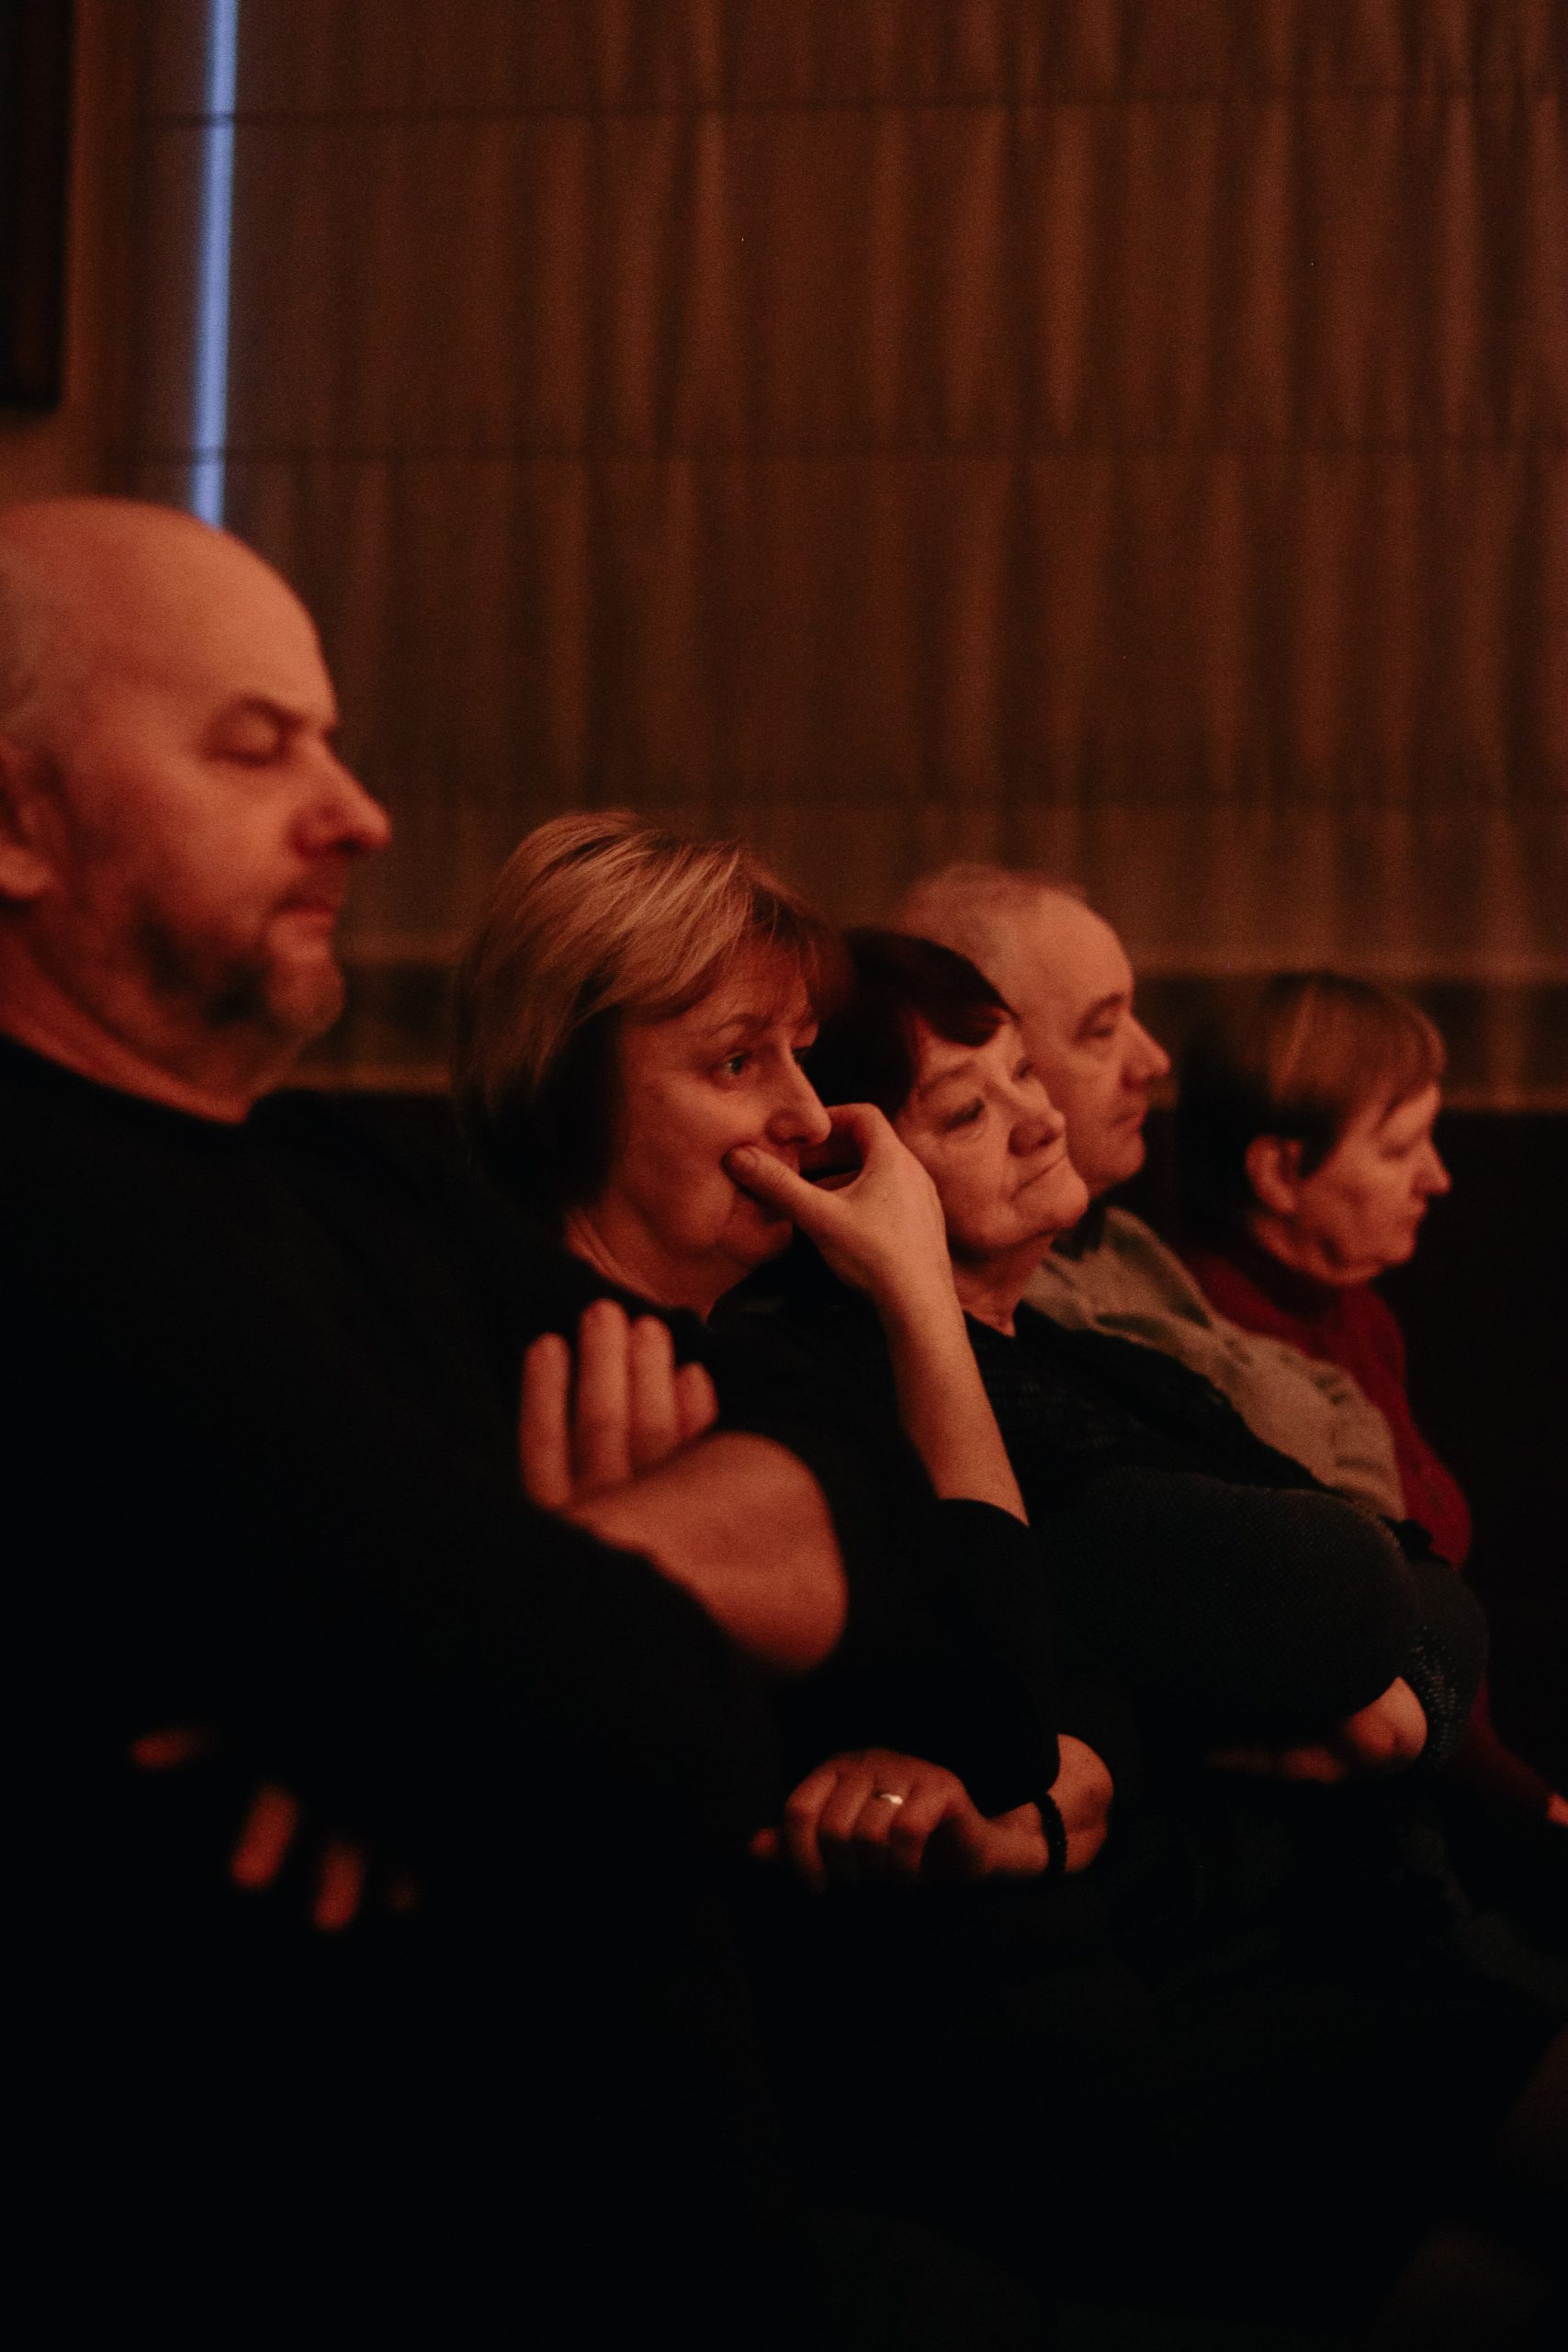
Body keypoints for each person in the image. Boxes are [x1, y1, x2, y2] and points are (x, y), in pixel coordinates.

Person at [0, 498, 1038, 2346]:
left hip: (703, 2233)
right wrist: (554, 1657)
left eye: (332, 742)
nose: (358, 812)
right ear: (18, 821)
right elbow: (654, 1744)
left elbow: (881, 1535)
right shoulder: (62, 1233)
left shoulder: (329, 1178)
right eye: (255, 748)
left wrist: (522, 1591)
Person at [731, 924, 1566, 2327]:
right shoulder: (868, 1391)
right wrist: (1381, 1659)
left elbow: (1426, 1588)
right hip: (1207, 2003)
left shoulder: (1093, 1363)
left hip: (1345, 1946)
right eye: (964, 1110)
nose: (1036, 1116)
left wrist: (1401, 1707)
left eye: (1021, 1074)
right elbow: (1333, 1595)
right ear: (845, 1177)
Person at [451, 808, 1122, 1876]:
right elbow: (1003, 1721)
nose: (809, 1117)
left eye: (801, 1055)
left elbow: (1055, 1692)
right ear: (567, 1089)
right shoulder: (495, 1358)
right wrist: (918, 1291)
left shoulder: (768, 1363)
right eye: (736, 1062)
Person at [1176, 970, 1566, 1835]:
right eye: (1398, 1149)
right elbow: (1369, 1654)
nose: (1437, 1178)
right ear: (1278, 1171)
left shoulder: (1354, 1313)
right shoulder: (1218, 1356)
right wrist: (1533, 1809)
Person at [896, 862, 1409, 1515]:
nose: (1153, 1061)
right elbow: (1282, 1434)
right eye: (1101, 1030)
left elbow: (1333, 1398)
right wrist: (1376, 1541)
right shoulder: (1010, 1302)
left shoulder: (1122, 1242)